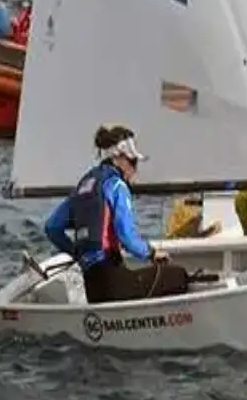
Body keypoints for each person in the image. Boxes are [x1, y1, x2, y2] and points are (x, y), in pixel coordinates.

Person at [43, 124, 191, 303]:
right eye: (133, 162)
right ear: (119, 158)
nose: (135, 170)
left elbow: (52, 227)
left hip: (93, 289)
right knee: (178, 275)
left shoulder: (84, 185)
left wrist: (77, 253)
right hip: (114, 283)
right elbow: (127, 237)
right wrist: (151, 253)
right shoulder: (116, 186)